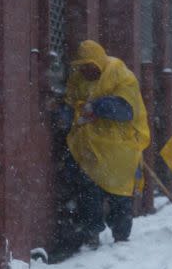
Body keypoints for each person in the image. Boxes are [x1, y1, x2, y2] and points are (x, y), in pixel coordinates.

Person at [61, 40, 150, 248]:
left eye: (89, 67)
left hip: (120, 148)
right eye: (81, 67)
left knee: (120, 194)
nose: (85, 71)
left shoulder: (122, 76)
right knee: (88, 190)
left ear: (99, 63)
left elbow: (126, 110)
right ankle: (91, 233)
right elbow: (70, 101)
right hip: (91, 147)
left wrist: (96, 106)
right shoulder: (79, 78)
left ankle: (121, 237)